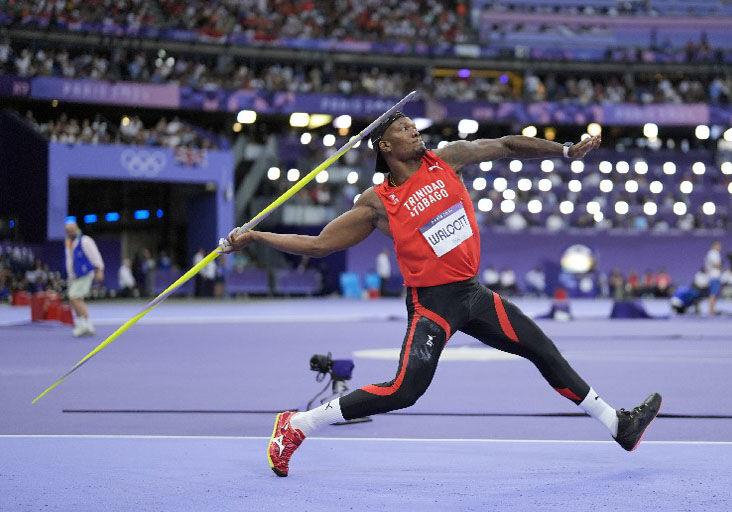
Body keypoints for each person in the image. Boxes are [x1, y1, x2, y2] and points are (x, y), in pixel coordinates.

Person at [222, 113, 661, 477]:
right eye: (403, 129)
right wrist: (255, 235)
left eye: (414, 125)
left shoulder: (445, 159)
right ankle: (296, 425)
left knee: (541, 349)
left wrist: (564, 150)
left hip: (471, 294)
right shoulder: (377, 202)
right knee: (403, 390)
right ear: (384, 146)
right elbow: (319, 245)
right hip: (431, 305)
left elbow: (507, 146)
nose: (414, 131)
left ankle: (617, 424)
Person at [64, 221, 104, 337]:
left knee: (74, 296)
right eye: (68, 231)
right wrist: (70, 275)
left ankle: (88, 324)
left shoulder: (85, 240)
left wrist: (99, 269)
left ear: (76, 228)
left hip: (85, 274)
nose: (70, 232)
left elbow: (95, 255)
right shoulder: (69, 243)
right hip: (74, 276)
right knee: (76, 300)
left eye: (71, 230)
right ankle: (81, 324)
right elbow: (70, 261)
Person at [704, 241, 722, 315]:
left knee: (714, 294)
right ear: (714, 246)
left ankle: (713, 309)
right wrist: (720, 265)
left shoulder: (713, 254)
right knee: (713, 294)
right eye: (719, 246)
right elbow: (717, 264)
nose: (720, 247)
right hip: (713, 276)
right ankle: (711, 310)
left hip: (714, 276)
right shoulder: (713, 253)